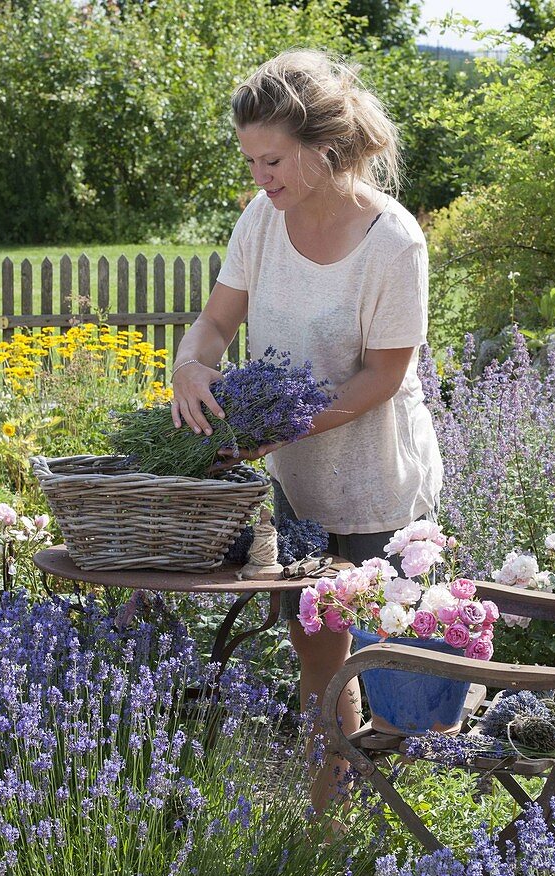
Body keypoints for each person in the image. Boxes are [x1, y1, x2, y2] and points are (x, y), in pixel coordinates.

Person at [170, 49, 443, 812]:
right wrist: (192, 367)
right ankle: (329, 832)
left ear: (325, 147)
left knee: (390, 677)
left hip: (375, 483)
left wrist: (281, 425)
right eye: (251, 160)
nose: (261, 177)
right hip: (296, 484)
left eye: (274, 160)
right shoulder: (262, 219)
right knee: (318, 659)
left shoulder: (393, 242)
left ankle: (390, 840)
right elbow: (217, 324)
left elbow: (384, 377)